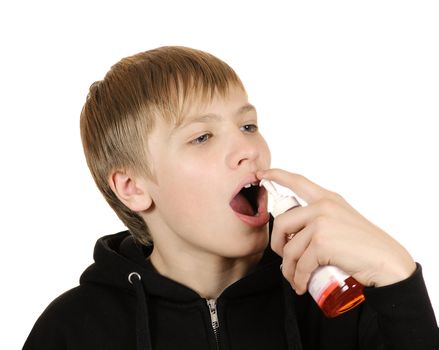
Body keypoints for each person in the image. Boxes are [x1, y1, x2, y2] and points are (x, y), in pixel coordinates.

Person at [23, 46, 439, 350]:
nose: (249, 151)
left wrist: (397, 277)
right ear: (132, 187)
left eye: (248, 126)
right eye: (202, 136)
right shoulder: (71, 331)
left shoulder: (338, 305)